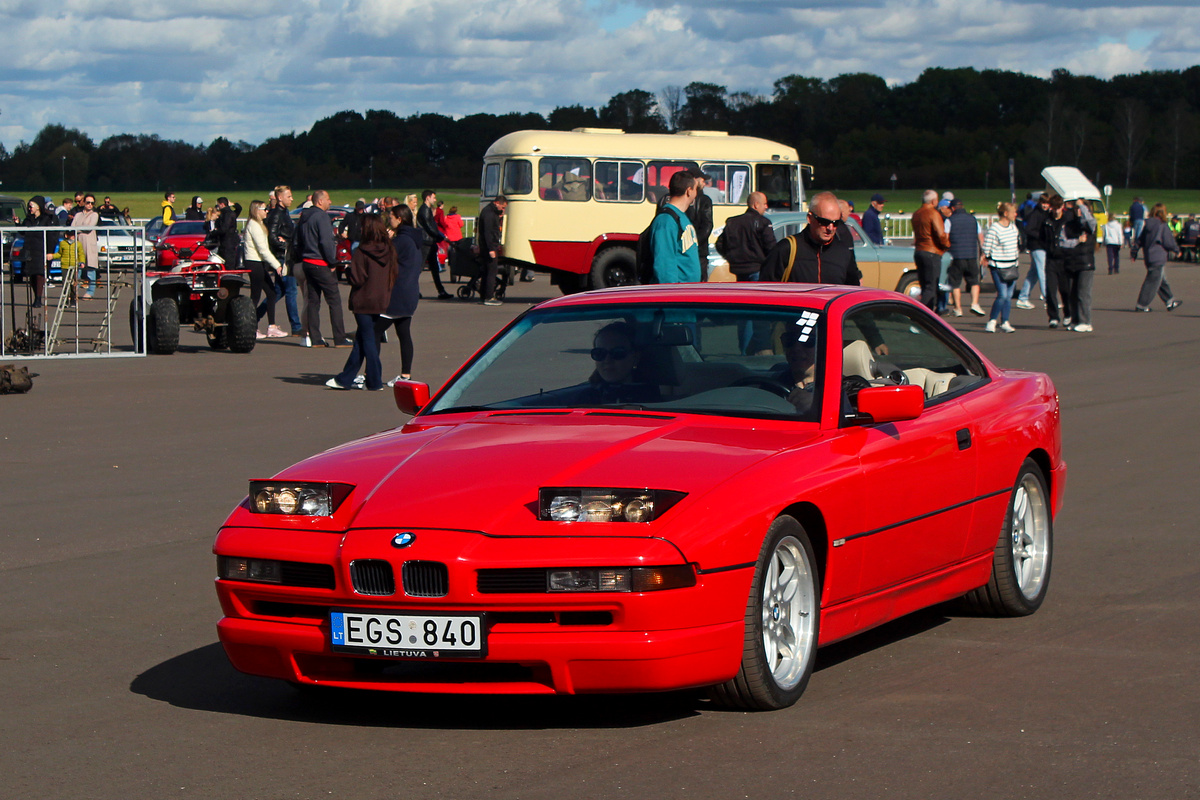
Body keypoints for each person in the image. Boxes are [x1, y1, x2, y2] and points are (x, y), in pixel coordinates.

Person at [327, 215, 398, 391]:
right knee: (362, 339)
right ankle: (345, 378)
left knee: (367, 341)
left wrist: (349, 271)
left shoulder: (361, 251)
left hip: (364, 299)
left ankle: (374, 380)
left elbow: (358, 279)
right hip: (382, 298)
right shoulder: (389, 249)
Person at [761, 191, 860, 286]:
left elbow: (852, 292)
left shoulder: (843, 252)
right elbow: (766, 290)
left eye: (836, 223)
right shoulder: (787, 249)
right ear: (810, 218)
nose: (830, 228)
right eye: (824, 222)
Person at [296, 189, 350, 347]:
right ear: (320, 201)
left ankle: (315, 337)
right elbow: (326, 242)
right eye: (328, 199)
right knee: (334, 301)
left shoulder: (304, 218)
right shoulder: (321, 217)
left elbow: (299, 240)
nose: (330, 202)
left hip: (307, 261)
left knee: (313, 301)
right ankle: (339, 338)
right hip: (320, 262)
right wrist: (332, 262)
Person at [380, 204, 423, 386]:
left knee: (372, 332)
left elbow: (384, 258)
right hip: (409, 292)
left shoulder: (402, 241)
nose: (389, 220)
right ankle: (405, 375)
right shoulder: (413, 239)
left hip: (398, 294)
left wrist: (387, 241)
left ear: (399, 218)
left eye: (391, 217)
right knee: (403, 333)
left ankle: (369, 374)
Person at [242, 200, 286, 339]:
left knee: (271, 293)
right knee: (255, 296)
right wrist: (276, 265)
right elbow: (262, 249)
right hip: (254, 263)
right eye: (264, 209)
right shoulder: (254, 225)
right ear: (257, 210)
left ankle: (271, 327)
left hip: (258, 262)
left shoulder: (260, 225)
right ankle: (251, 328)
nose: (266, 211)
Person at [649, 171, 701, 284]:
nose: (697, 194)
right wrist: (671, 294)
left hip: (688, 291)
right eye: (696, 189)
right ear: (689, 191)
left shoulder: (681, 217)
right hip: (677, 294)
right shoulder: (666, 220)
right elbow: (664, 262)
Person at [266, 185, 302, 336]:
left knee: (277, 292)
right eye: (289, 196)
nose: (292, 199)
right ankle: (296, 326)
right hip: (283, 258)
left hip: (285, 255)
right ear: (280, 198)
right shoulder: (276, 215)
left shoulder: (284, 213)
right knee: (291, 291)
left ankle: (255, 316)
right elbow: (272, 237)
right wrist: (285, 245)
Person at [718, 191, 776, 283]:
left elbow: (720, 244)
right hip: (758, 268)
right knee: (756, 295)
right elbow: (771, 246)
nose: (766, 207)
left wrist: (731, 257)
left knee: (743, 295)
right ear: (756, 204)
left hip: (738, 269)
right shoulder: (763, 222)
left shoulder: (732, 222)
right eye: (764, 204)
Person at [1135, 202, 1183, 313]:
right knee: (1152, 282)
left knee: (1160, 280)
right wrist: (1176, 250)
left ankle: (1170, 300)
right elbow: (1168, 242)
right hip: (1158, 257)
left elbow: (1139, 240)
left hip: (1149, 257)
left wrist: (1134, 252)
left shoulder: (1147, 225)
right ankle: (1142, 304)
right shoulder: (1162, 225)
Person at [982, 202, 1021, 333]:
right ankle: (992, 321)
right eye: (1013, 212)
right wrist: (986, 257)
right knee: (1002, 295)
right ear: (1005, 214)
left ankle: (1005, 321)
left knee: (1009, 296)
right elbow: (987, 247)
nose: (1015, 214)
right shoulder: (995, 228)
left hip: (1012, 265)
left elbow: (1015, 246)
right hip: (998, 266)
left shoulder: (1013, 228)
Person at [1059, 198, 1096, 332]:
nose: (1079, 211)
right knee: (1072, 294)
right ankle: (1075, 320)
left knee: (1083, 293)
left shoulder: (1089, 225)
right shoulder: (1068, 225)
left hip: (1086, 263)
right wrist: (1076, 241)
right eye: (1077, 208)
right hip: (1071, 262)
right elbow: (1063, 243)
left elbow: (1091, 221)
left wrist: (1082, 205)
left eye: (1081, 208)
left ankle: (1086, 321)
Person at [910, 190, 950, 310]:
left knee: (924, 285)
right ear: (933, 201)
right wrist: (947, 245)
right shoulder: (933, 213)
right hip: (932, 252)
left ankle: (924, 312)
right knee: (931, 287)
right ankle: (922, 313)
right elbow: (940, 234)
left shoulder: (916, 213)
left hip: (919, 251)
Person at [945, 199, 985, 317]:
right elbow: (981, 237)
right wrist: (983, 253)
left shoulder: (949, 220)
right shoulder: (973, 220)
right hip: (971, 254)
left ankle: (958, 308)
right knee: (974, 281)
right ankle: (975, 303)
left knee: (955, 283)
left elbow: (946, 238)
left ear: (952, 208)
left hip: (956, 255)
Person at [20, 197, 60, 309]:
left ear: (38, 207)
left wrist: (50, 251)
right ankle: (35, 296)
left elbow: (51, 237)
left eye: (31, 206)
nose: (29, 208)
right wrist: (18, 223)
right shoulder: (28, 219)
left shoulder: (46, 219)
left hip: (41, 249)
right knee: (31, 275)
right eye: (29, 206)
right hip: (30, 249)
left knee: (39, 274)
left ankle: (38, 298)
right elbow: (23, 232)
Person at [1016, 193, 1052, 309]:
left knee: (1034, 273)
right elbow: (1028, 229)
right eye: (1043, 203)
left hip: (1043, 246)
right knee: (1043, 272)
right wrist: (1042, 236)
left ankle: (1023, 297)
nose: (1045, 206)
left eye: (1047, 203)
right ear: (1040, 203)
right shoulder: (1035, 214)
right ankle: (1048, 299)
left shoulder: (1047, 214)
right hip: (1036, 246)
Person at [417, 190, 452, 299]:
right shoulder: (425, 210)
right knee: (419, 268)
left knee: (434, 268)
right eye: (433, 197)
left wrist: (440, 235)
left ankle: (441, 291)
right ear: (427, 198)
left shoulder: (426, 210)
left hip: (430, 242)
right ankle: (413, 290)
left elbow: (433, 227)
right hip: (426, 243)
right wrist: (442, 237)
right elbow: (430, 228)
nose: (435, 200)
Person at [476, 195, 507, 305]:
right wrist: (491, 249)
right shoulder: (489, 214)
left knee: (486, 271)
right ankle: (489, 296)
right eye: (502, 207)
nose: (503, 210)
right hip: (489, 247)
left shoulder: (489, 212)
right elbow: (488, 233)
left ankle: (484, 295)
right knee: (491, 272)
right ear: (497, 203)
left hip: (486, 246)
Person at [686, 169, 714, 281]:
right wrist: (694, 243)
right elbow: (707, 225)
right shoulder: (704, 200)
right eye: (702, 180)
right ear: (694, 181)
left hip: (694, 250)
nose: (704, 183)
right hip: (699, 251)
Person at [72, 194, 100, 299]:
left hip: (89, 244)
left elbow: (89, 228)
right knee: (77, 269)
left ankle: (90, 292)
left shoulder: (94, 215)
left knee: (90, 269)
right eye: (88, 202)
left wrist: (77, 229)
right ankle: (74, 292)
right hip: (79, 244)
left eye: (92, 203)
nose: (90, 205)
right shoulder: (78, 214)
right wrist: (79, 229)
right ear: (83, 202)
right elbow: (72, 227)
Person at [214, 197, 241, 266]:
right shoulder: (231, 213)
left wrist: (214, 233)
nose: (218, 207)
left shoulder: (226, 214)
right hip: (229, 242)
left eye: (218, 205)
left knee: (227, 263)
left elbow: (224, 229)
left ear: (222, 205)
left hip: (227, 243)